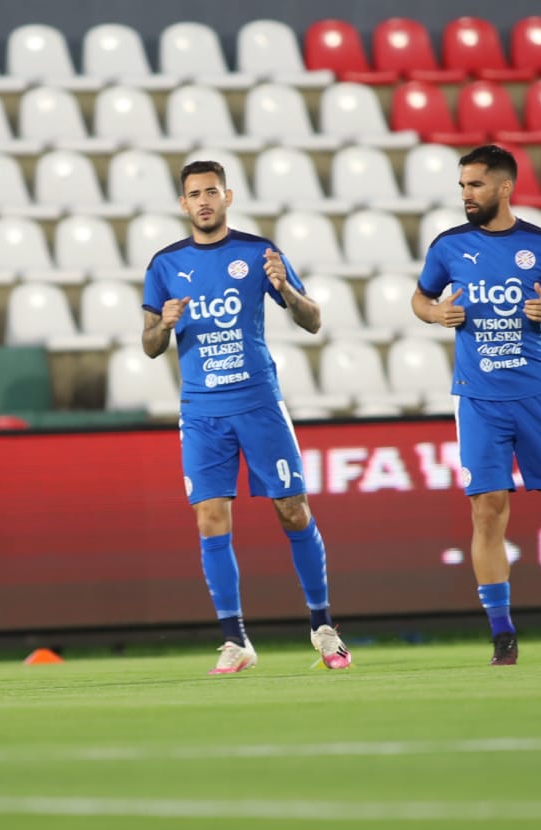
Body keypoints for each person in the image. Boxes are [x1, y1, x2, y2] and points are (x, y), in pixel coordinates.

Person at [140, 160, 351, 675]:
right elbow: (148, 345)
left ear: (228, 196)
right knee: (210, 517)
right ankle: (235, 641)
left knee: (292, 510)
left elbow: (313, 320)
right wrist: (163, 326)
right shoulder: (164, 264)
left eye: (211, 191)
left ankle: (324, 628)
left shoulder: (259, 254)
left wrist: (288, 289)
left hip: (259, 402)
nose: (204, 201)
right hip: (201, 411)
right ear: (183, 204)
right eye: (194, 194)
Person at [411, 144, 541, 666]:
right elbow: (420, 298)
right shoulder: (448, 246)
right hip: (479, 400)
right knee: (487, 512)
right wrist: (436, 315)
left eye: (475, 185)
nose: (465, 195)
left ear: (504, 188)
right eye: (462, 186)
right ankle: (502, 630)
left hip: (535, 396)